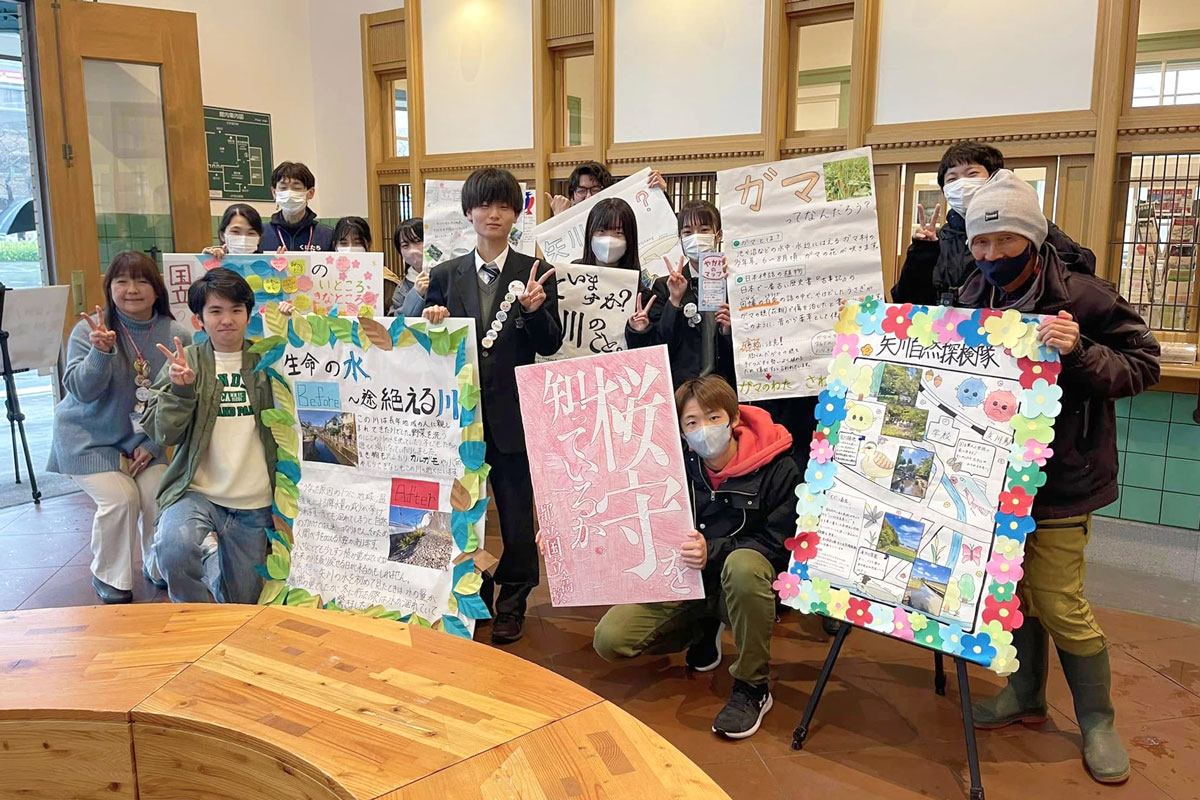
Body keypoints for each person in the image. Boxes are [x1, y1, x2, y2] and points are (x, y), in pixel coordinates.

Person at [960, 170, 1159, 785]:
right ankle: (1025, 695)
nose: (992, 255)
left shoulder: (1085, 296)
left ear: (1032, 236)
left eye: (1005, 241)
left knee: (1058, 600)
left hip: (1066, 478)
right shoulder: (971, 295)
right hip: (994, 477)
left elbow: (1144, 365)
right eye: (981, 243)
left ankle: (1098, 720)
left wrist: (1080, 351)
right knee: (1013, 595)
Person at [590, 376, 799, 739]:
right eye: (691, 422)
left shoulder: (780, 467)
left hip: (745, 582)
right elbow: (620, 508)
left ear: (733, 418)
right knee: (611, 639)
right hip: (686, 579)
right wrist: (567, 532)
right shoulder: (671, 464)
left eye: (713, 417)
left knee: (744, 565)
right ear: (681, 431)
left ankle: (753, 685)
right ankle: (702, 626)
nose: (704, 429)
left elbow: (781, 545)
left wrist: (713, 551)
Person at [421, 167, 563, 644]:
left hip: (514, 421)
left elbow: (550, 343)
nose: (494, 214)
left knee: (518, 518)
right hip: (456, 422)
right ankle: (468, 590)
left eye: (504, 205)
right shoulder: (443, 276)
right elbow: (420, 346)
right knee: (459, 511)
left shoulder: (535, 273)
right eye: (484, 205)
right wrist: (430, 320)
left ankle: (514, 600)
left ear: (517, 213)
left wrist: (533, 310)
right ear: (468, 213)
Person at [47, 251, 192, 603]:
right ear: (109, 288)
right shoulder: (90, 331)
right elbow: (80, 391)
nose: (131, 289)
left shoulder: (176, 335)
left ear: (157, 289)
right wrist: (100, 353)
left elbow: (179, 403)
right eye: (121, 281)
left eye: (142, 280)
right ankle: (109, 576)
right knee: (122, 499)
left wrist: (155, 445)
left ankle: (157, 566)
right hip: (88, 441)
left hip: (143, 442)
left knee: (160, 496)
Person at [143, 268, 278, 605]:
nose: (227, 320)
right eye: (215, 311)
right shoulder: (187, 362)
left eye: (236, 310)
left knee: (243, 603)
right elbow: (163, 433)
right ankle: (194, 617)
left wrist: (292, 327)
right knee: (174, 547)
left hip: (254, 502)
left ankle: (218, 577)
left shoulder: (269, 360)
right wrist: (180, 390)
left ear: (249, 314)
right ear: (199, 319)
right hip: (196, 491)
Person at [891, 141, 1096, 306]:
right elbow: (906, 301)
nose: (962, 184)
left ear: (995, 178)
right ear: (944, 190)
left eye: (972, 174)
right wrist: (922, 251)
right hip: (948, 341)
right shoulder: (940, 240)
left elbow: (1081, 266)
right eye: (952, 179)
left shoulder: (1025, 228)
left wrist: (1032, 222)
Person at [626, 200, 735, 388]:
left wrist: (728, 331)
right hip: (682, 389)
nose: (696, 237)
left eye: (704, 230)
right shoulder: (663, 286)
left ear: (719, 235)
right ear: (680, 238)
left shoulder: (734, 282)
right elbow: (661, 346)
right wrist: (674, 301)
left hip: (725, 387)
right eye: (687, 232)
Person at [259, 161, 335, 252]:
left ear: (310, 193)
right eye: (283, 188)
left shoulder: (327, 234)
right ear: (274, 193)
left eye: (297, 188)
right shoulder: (262, 233)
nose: (289, 194)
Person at [544, 161, 668, 217]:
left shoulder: (621, 218)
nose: (588, 196)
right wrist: (559, 219)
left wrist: (659, 193)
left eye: (596, 190)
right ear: (572, 196)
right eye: (581, 191)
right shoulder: (566, 226)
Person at [388, 217, 428, 318]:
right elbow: (396, 321)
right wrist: (416, 294)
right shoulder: (401, 289)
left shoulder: (449, 275)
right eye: (405, 246)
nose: (413, 250)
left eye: (418, 241)